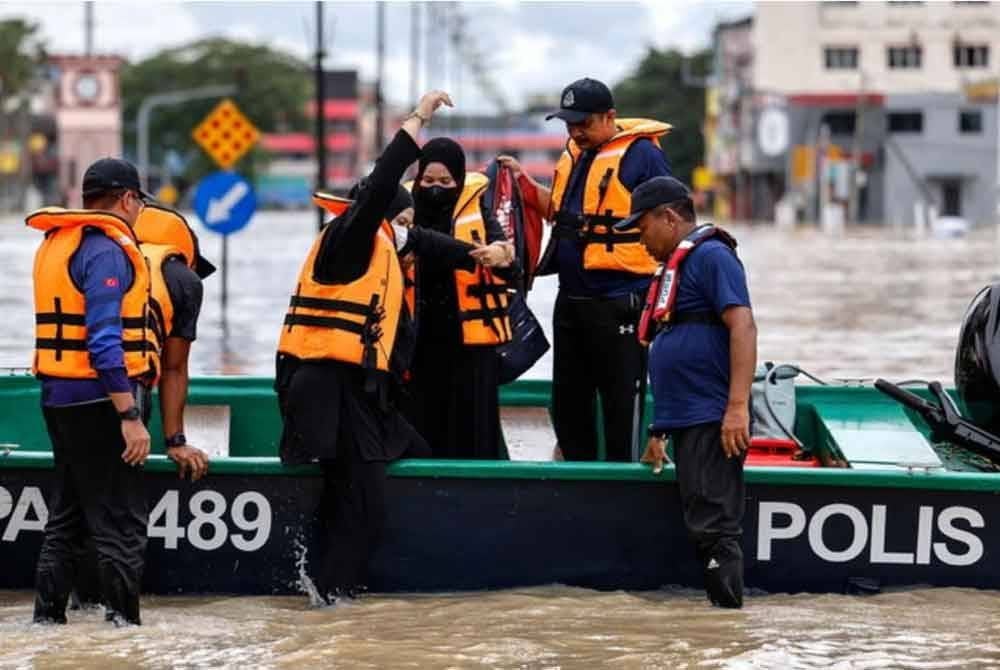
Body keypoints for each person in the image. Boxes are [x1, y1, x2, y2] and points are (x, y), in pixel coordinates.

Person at [275, 90, 514, 604]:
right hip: (326, 390)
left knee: (404, 460)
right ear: (382, 211)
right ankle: (332, 601)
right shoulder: (352, 237)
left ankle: (333, 592)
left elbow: (438, 247)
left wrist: (493, 253)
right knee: (356, 502)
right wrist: (418, 118)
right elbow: (385, 178)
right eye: (403, 219)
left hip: (359, 392)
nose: (410, 230)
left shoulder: (388, 241)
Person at [499, 77, 672, 462]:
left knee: (619, 403)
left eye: (584, 124)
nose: (576, 132)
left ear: (609, 116)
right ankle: (577, 478)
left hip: (620, 300)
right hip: (572, 300)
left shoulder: (642, 155)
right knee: (568, 401)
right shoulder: (573, 155)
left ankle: (623, 483)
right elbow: (566, 218)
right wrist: (525, 186)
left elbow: (670, 219)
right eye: (570, 125)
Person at [28, 158, 156, 626]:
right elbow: (104, 343)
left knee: (68, 517)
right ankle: (125, 634)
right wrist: (129, 415)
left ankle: (46, 625)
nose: (140, 210)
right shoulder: (105, 252)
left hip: (57, 398)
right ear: (126, 198)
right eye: (140, 201)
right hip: (99, 403)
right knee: (121, 526)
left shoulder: (61, 243)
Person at [619, 176, 757, 609]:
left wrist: (736, 407)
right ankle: (713, 634)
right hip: (685, 419)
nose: (640, 241)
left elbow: (743, 326)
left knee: (715, 528)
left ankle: (728, 626)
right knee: (703, 523)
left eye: (642, 229)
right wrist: (659, 431)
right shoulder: (675, 268)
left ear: (670, 217)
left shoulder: (713, 257)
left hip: (711, 416)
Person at [405, 138, 518, 459]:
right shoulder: (405, 211)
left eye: (445, 182)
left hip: (469, 346)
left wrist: (502, 254)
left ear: (458, 179)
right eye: (427, 181)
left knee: (470, 428)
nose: (435, 189)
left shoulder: (478, 211)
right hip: (417, 341)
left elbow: (511, 265)